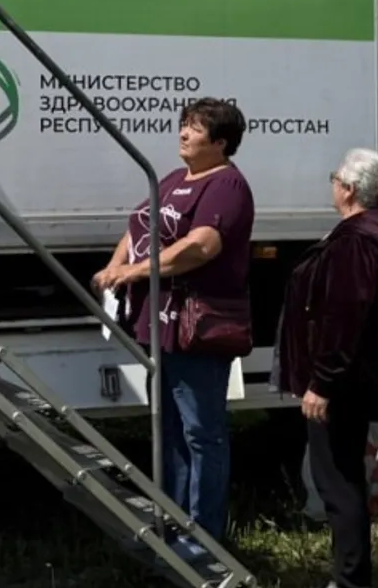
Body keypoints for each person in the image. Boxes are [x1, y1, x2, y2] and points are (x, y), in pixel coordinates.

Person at [91, 98, 255, 557]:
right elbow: (138, 226)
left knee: (202, 431)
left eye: (196, 128)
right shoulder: (174, 178)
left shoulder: (227, 186)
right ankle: (173, 520)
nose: (183, 133)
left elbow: (200, 247)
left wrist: (135, 273)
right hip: (159, 325)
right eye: (183, 124)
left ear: (220, 143)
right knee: (170, 428)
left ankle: (204, 537)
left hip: (196, 328)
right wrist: (114, 266)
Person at [274, 147, 378, 588]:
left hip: (344, 381)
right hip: (361, 375)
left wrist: (322, 382)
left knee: (337, 482)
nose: (332, 184)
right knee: (344, 476)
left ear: (348, 189)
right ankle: (351, 573)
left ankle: (350, 579)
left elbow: (344, 316)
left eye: (335, 178)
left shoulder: (355, 241)